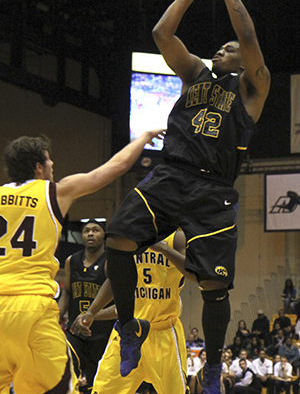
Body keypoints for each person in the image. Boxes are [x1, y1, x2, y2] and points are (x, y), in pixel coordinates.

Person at [101, 0, 270, 393]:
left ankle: (213, 366)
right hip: (170, 174)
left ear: (242, 61)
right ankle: (130, 325)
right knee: (118, 237)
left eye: (227, 48)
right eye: (220, 47)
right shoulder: (195, 74)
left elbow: (249, 36)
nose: (222, 49)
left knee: (214, 288)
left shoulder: (253, 89)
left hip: (214, 189)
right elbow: (162, 34)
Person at [0, 129, 163, 394]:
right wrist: (144, 138)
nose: (53, 165)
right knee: (59, 388)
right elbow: (116, 167)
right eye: (49, 160)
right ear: (39, 167)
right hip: (31, 307)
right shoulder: (55, 192)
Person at [74, 229, 196, 394]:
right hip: (127, 333)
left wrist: (165, 249)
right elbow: (114, 281)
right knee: (102, 390)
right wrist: (92, 312)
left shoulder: (176, 237)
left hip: (163, 334)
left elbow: (195, 273)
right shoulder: (125, 236)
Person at [58, 219, 115, 394]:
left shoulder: (110, 262)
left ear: (103, 236)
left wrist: (92, 315)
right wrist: (56, 317)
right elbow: (67, 292)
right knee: (67, 372)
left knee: (93, 386)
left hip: (102, 336)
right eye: (86, 231)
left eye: (95, 230)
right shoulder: (71, 261)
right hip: (75, 332)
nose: (90, 233)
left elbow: (119, 304)